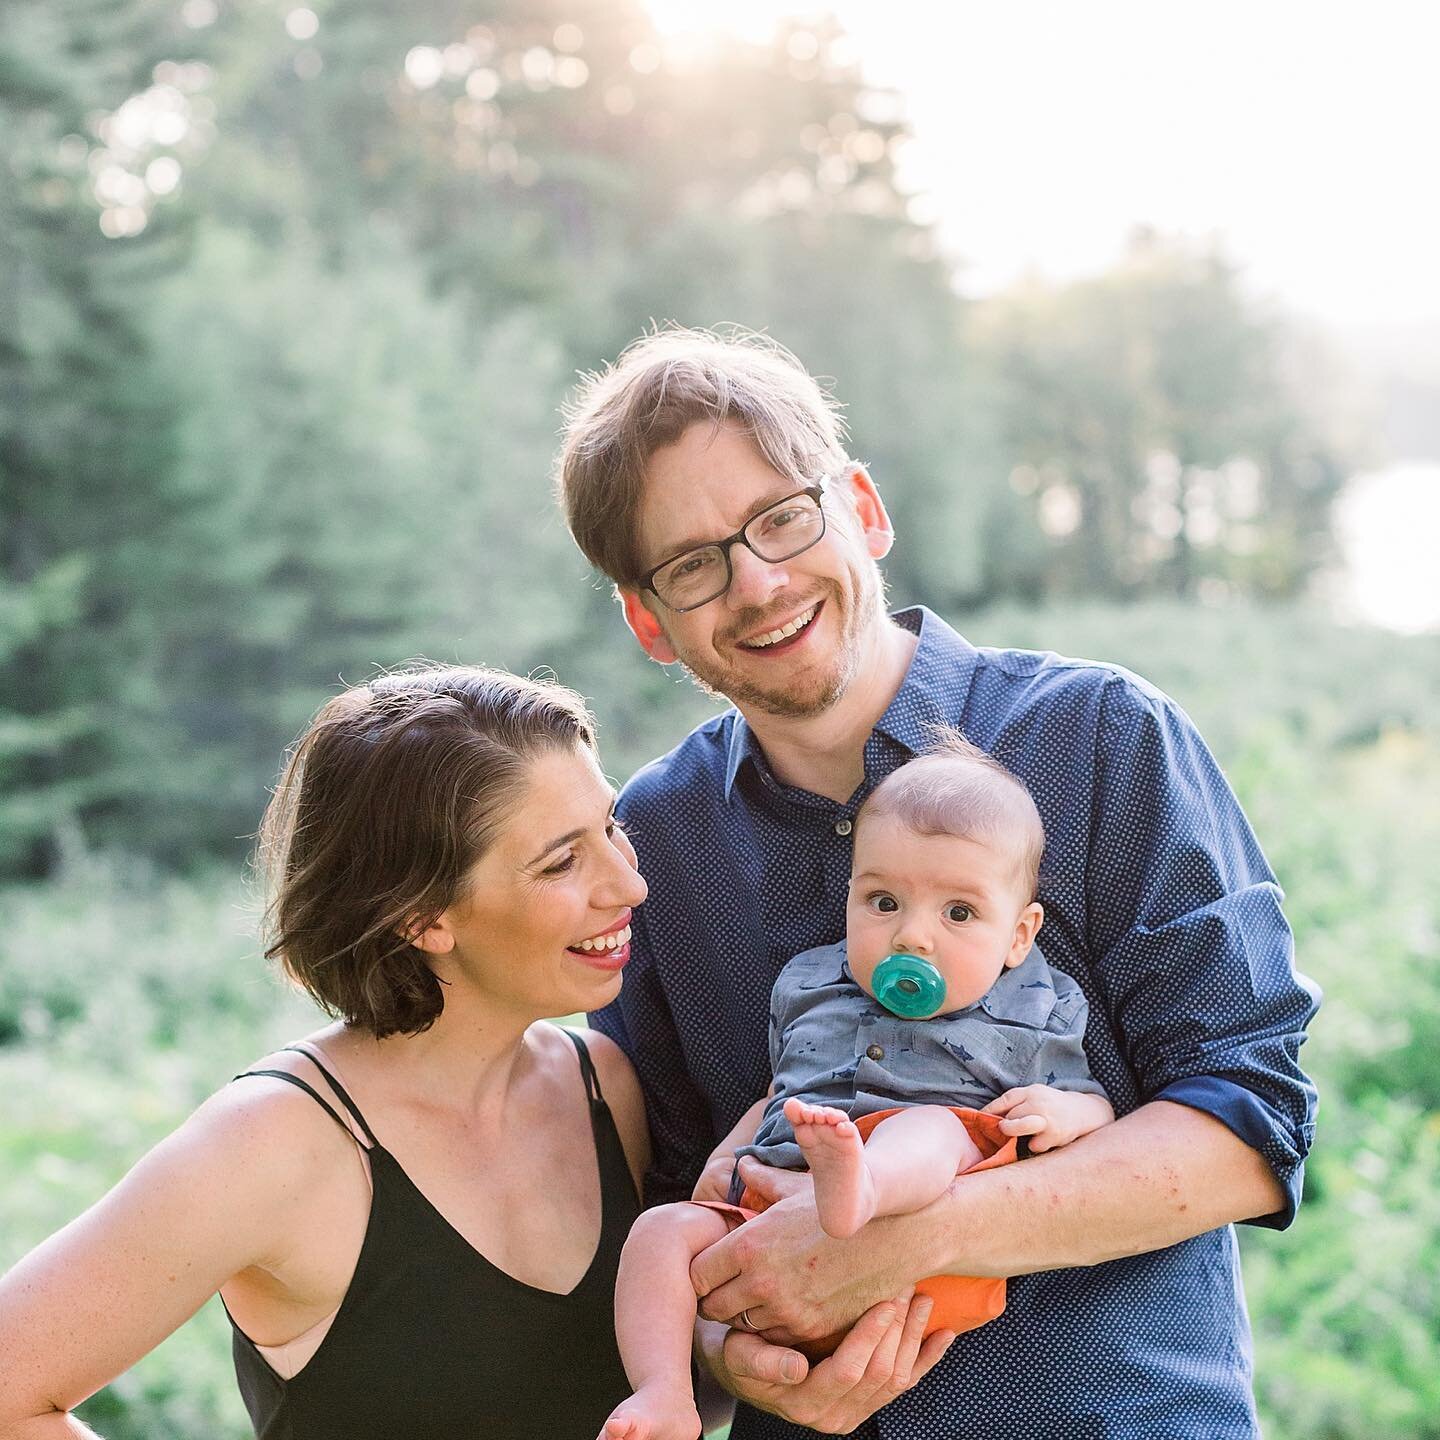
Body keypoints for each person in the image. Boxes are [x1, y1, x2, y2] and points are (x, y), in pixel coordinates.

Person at [556, 326, 1321, 1439]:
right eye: (691, 564)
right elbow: (686, 1189)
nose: (758, 582)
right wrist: (730, 1346)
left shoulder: (1101, 737)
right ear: (647, 622)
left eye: (781, 517)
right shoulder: (654, 843)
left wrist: (922, 1232)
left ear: (861, 507)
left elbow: (1252, 1123)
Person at [4, 668, 641, 1438]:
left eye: (611, 827)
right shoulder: (274, 1143)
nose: (628, 884)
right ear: (421, 918)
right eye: (562, 861)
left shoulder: (604, 1086)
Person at [600, 734, 1114, 1440]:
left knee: (930, 1127)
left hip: (924, 1213)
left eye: (958, 914)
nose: (912, 937)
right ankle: (663, 1395)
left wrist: (1065, 1110)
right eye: (882, 901)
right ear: (849, 898)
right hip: (777, 1201)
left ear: (1019, 935)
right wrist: (734, 1149)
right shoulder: (811, 985)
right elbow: (782, 1088)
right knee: (660, 1232)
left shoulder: (1033, 1005)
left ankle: (862, 1186)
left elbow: (1093, 1100)